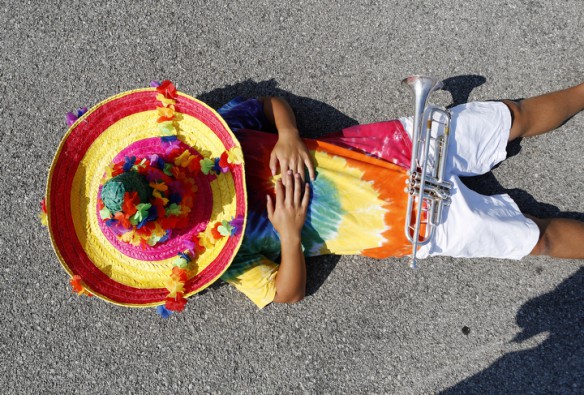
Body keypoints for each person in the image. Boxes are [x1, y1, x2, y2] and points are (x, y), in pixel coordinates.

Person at [216, 82, 584, 308]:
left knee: (515, 116)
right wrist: (290, 234)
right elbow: (286, 293)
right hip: (408, 222)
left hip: (401, 146)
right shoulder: (218, 252)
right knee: (538, 238)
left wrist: (287, 133)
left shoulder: (216, 135)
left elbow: (268, 104)